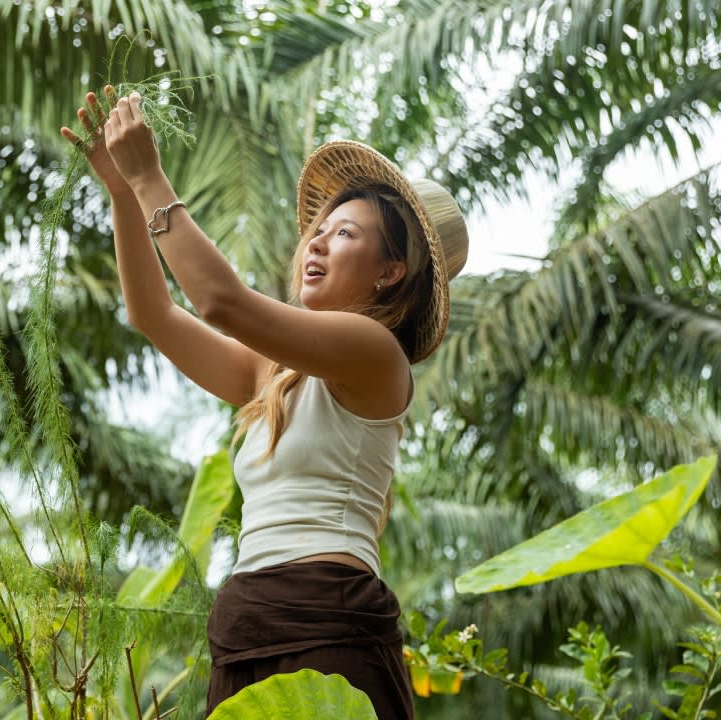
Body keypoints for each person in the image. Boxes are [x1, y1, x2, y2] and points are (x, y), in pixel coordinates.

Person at [61, 86, 469, 719]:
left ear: (390, 272)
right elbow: (152, 314)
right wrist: (121, 191)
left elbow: (220, 302)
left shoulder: (376, 353)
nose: (316, 244)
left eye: (345, 234)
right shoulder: (273, 375)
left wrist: (149, 180)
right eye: (319, 231)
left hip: (327, 621)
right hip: (247, 625)